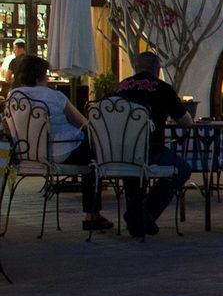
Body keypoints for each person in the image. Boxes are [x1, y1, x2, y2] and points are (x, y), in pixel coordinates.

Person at [6, 55, 112, 231]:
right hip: (62, 151)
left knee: (92, 154)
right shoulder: (55, 96)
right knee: (96, 156)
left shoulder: (13, 97)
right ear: (40, 76)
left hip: (28, 155)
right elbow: (83, 124)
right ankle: (91, 214)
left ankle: (93, 214)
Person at [111, 52, 193, 239]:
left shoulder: (121, 87)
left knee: (133, 170)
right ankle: (144, 214)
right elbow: (186, 121)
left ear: (135, 68)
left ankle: (137, 215)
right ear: (158, 70)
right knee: (182, 169)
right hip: (150, 150)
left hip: (120, 152)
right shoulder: (162, 88)